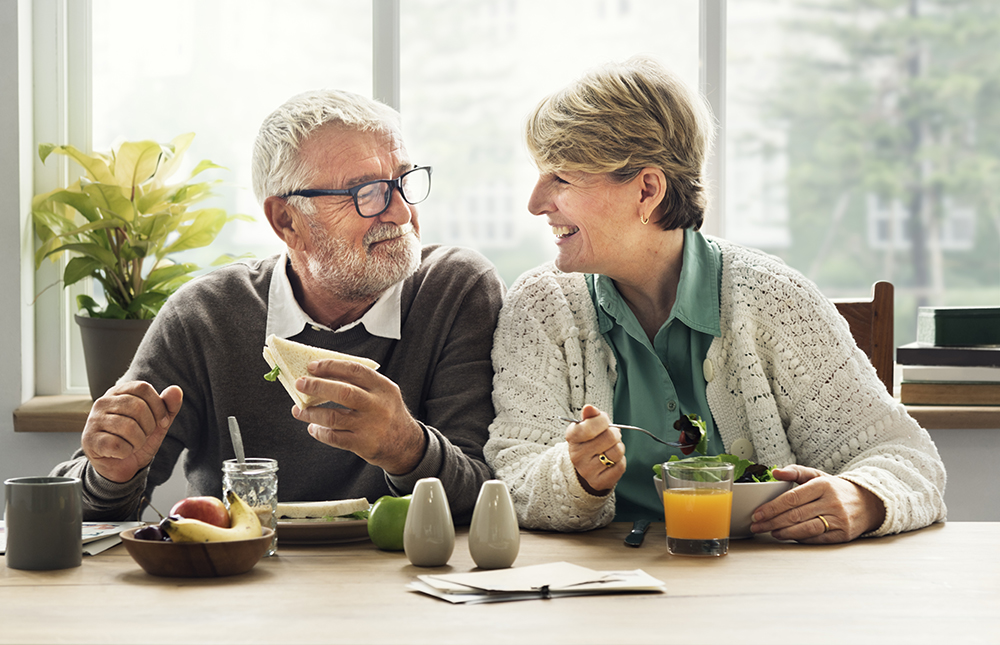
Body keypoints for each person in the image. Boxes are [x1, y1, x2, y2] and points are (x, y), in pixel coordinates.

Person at [485, 57, 946, 543]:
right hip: (597, 593)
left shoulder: (776, 299)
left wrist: (864, 497)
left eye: (561, 178)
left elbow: (905, 455)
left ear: (647, 189)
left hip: (760, 590)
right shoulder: (541, 306)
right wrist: (574, 476)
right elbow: (511, 474)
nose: (536, 202)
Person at [52, 89, 504, 523]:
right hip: (237, 582)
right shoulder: (205, 315)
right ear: (286, 220)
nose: (402, 213)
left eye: (403, 182)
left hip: (403, 582)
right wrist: (110, 473)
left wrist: (405, 446)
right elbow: (76, 515)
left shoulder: (455, 290)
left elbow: (487, 500)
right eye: (367, 193)